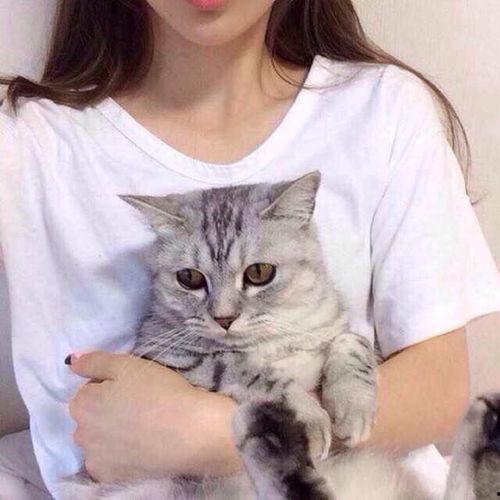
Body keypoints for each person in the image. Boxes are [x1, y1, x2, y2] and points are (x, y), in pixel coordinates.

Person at [1, 0, 499, 499]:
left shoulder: (386, 110)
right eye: (192, 279)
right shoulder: (28, 142)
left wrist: (211, 435)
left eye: (257, 274)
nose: (223, 312)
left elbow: (439, 387)